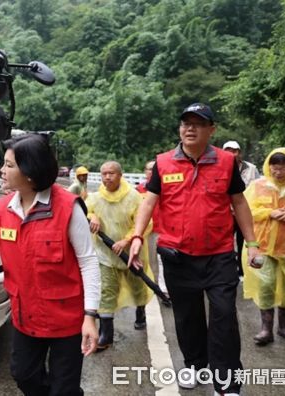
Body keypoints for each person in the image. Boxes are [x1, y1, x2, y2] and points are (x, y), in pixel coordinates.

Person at [0, 134, 100, 396]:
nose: (2, 170)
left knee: (64, 388)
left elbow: (89, 262)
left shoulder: (68, 207)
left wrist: (90, 316)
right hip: (27, 315)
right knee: (24, 375)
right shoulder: (5, 208)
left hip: (66, 320)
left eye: (9, 165)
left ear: (31, 172)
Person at [128, 103, 261, 396]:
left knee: (224, 318)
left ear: (211, 130)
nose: (189, 128)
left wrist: (252, 245)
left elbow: (239, 203)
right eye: (185, 123)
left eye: (198, 123)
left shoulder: (226, 162)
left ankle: (226, 383)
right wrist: (137, 235)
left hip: (219, 256)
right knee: (188, 319)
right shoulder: (163, 163)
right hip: (178, 257)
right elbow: (149, 201)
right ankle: (195, 366)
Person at [86, 161, 153, 351]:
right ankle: (106, 335)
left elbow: (144, 222)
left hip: (131, 252)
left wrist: (127, 240)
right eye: (104, 174)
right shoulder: (96, 197)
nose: (107, 177)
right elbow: (85, 210)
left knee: (137, 287)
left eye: (111, 173)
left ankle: (141, 312)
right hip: (105, 254)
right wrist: (93, 217)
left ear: (120, 175)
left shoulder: (133, 197)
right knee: (106, 291)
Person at [242, 147, 285, 346]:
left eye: (283, 167)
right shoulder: (258, 186)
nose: (278, 171)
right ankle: (266, 329)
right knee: (265, 285)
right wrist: (270, 213)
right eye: (274, 167)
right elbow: (245, 210)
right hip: (263, 245)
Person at [223, 140, 260, 276]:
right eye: (228, 151)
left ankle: (243, 269)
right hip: (226, 212)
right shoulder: (220, 167)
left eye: (234, 151)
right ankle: (227, 268)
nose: (231, 154)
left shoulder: (251, 168)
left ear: (239, 152)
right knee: (226, 241)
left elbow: (257, 188)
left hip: (246, 209)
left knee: (243, 240)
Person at [136, 160, 170, 307]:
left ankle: (164, 288)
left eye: (154, 169)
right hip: (147, 231)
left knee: (163, 260)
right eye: (149, 169)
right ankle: (154, 285)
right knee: (150, 260)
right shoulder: (139, 189)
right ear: (145, 171)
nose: (151, 172)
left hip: (162, 229)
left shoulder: (165, 187)